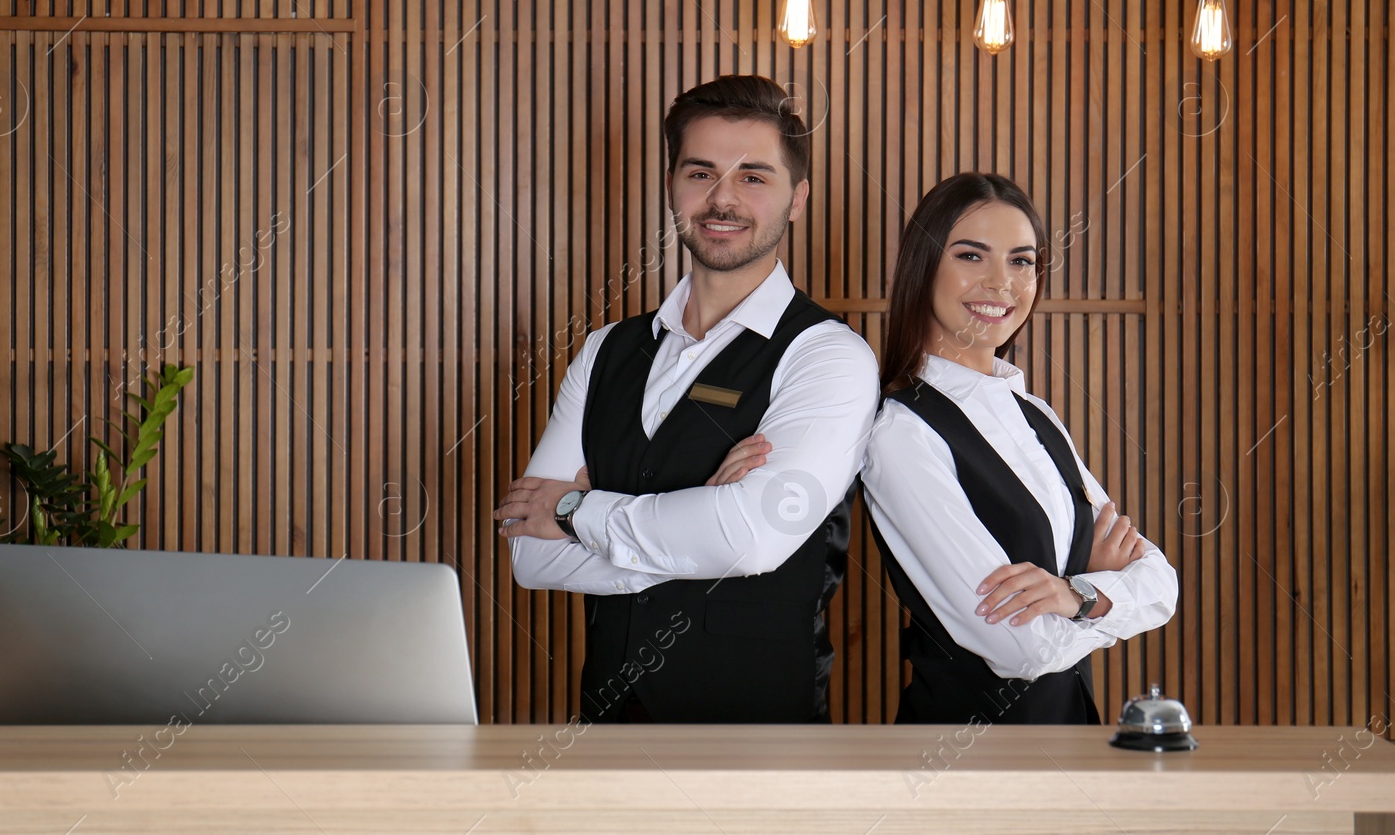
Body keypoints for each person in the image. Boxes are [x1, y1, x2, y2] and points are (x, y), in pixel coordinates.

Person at [493, 75, 879, 723]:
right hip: (608, 739)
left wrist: (574, 507)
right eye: (700, 172)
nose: (722, 198)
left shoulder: (829, 355)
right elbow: (531, 555)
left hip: (759, 747)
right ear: (671, 185)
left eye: (753, 176)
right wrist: (700, 524)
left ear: (798, 198)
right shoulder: (604, 351)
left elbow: (754, 540)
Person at [861, 172, 1177, 724]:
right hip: (969, 758)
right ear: (923, 265)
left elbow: (1161, 586)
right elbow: (1022, 650)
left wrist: (1073, 594)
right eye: (971, 256)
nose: (1001, 284)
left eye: (1021, 261)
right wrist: (1101, 590)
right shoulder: (901, 432)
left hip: (1072, 737)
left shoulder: (1036, 413)